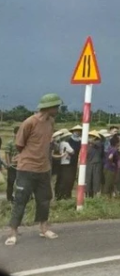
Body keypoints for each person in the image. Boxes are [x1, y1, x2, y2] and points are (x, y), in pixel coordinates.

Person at [5, 93, 63, 246]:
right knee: (20, 200)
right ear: (48, 107)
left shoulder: (51, 122)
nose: (58, 109)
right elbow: (19, 144)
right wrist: (30, 155)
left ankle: (44, 228)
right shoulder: (29, 122)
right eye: (56, 106)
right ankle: (13, 232)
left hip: (44, 168)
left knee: (44, 200)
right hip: (27, 168)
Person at [5, 126, 20, 202]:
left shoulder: (23, 143)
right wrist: (8, 164)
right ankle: (9, 198)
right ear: (14, 134)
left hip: (21, 166)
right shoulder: (10, 143)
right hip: (12, 166)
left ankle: (19, 198)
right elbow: (7, 153)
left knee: (20, 183)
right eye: (17, 133)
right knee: (11, 182)